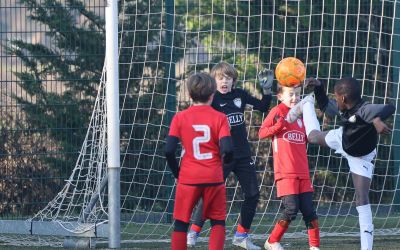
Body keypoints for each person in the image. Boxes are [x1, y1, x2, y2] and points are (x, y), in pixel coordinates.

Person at [286, 76, 395, 250]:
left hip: (362, 156)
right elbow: (326, 107)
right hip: (343, 139)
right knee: (312, 136)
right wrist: (319, 88)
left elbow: (390, 107)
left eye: (336, 97)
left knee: (362, 199)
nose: (335, 100)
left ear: (343, 98)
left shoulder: (365, 110)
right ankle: (306, 105)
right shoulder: (344, 108)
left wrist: (376, 119)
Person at [187, 62, 273, 250]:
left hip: (242, 155)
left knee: (253, 194)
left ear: (233, 80)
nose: (224, 81)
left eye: (228, 78)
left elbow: (263, 106)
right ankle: (193, 230)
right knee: (210, 194)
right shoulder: (211, 99)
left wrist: (267, 91)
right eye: (220, 78)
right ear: (213, 81)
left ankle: (241, 236)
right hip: (221, 156)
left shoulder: (240, 95)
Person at [165, 72, 234, 250]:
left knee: (181, 223)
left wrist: (178, 173)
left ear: (189, 95)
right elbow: (228, 149)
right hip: (213, 177)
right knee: (218, 221)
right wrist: (222, 164)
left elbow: (168, 151)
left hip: (188, 177)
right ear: (212, 95)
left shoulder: (179, 117)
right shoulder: (220, 118)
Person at [258, 85, 320, 250]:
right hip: (285, 173)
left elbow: (308, 137)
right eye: (291, 94)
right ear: (280, 96)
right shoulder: (277, 111)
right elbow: (262, 132)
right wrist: (278, 126)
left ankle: (314, 246)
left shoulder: (302, 114)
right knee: (291, 209)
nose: (295, 98)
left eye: (298, 94)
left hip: (303, 172)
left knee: (309, 211)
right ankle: (272, 241)